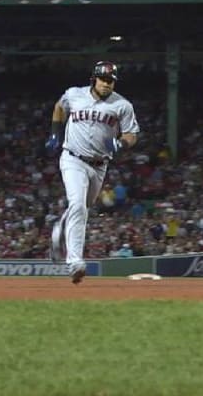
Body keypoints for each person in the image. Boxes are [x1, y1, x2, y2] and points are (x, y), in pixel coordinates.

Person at [46, 61, 140, 284]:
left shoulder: (122, 105)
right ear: (94, 79)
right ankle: (75, 262)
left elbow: (132, 133)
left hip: (99, 165)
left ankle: (61, 227)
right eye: (103, 79)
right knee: (78, 205)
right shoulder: (74, 94)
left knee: (83, 207)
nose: (107, 84)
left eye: (111, 80)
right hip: (73, 158)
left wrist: (122, 144)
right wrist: (54, 134)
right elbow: (59, 107)